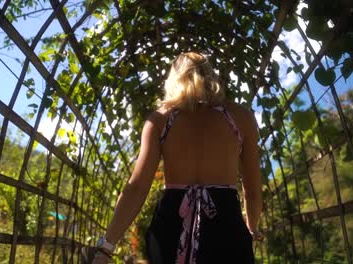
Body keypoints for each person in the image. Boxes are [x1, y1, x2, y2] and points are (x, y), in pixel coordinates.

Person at [91, 51, 263, 264]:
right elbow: (253, 190)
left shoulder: (160, 120)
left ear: (174, 78)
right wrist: (252, 227)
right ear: (211, 75)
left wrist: (106, 247)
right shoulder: (241, 117)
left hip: (172, 224)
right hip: (225, 223)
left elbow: (137, 187)